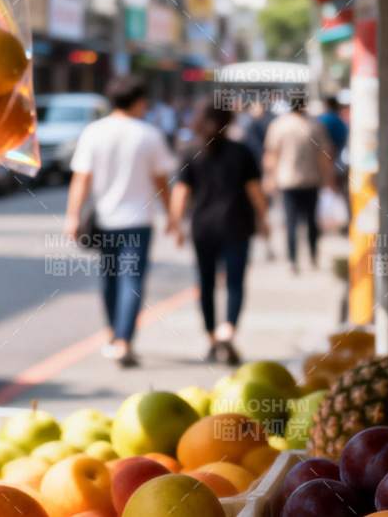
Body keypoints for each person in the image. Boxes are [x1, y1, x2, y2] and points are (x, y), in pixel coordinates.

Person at [64, 75, 179, 368]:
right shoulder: (148, 135)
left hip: (106, 221)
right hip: (138, 222)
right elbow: (161, 181)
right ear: (139, 102)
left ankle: (115, 335)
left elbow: (81, 179)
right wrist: (171, 215)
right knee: (132, 281)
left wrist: (73, 216)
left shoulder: (94, 132)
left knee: (110, 279)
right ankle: (124, 340)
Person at [169, 100, 268, 365]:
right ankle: (228, 330)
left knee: (206, 284)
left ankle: (212, 337)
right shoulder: (242, 151)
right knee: (235, 282)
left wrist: (176, 225)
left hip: (203, 228)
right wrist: (264, 219)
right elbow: (255, 192)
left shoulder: (189, 151)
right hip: (237, 225)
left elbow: (180, 192)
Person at [263, 97, 337, 272]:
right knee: (311, 221)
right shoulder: (315, 125)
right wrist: (329, 179)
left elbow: (271, 155)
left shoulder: (279, 125)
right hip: (311, 179)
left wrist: (269, 178)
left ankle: (292, 259)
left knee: (291, 221)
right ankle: (312, 255)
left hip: (287, 180)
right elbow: (324, 156)